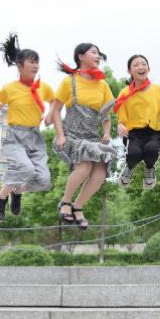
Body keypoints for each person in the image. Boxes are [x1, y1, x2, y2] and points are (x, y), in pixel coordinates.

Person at [0, 33, 56, 221]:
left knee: (43, 180)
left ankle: (17, 190)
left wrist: (50, 114)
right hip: (15, 136)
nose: (36, 65)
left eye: (37, 62)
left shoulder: (44, 87)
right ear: (20, 66)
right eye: (32, 62)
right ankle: (1, 196)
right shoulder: (10, 87)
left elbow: (56, 102)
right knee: (26, 169)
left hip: (35, 136)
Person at [52, 42, 116, 228]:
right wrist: (60, 135)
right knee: (84, 167)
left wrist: (106, 132)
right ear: (81, 56)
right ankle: (65, 202)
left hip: (92, 137)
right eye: (94, 53)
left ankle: (78, 207)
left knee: (100, 173)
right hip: (72, 135)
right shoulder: (69, 81)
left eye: (98, 54)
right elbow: (56, 111)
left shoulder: (103, 85)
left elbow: (106, 116)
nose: (98, 57)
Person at [115, 54, 160, 190]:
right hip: (134, 132)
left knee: (151, 149)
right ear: (129, 71)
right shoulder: (124, 93)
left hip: (154, 130)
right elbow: (122, 115)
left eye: (143, 64)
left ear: (148, 68)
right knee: (134, 153)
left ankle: (149, 169)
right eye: (136, 65)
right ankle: (129, 168)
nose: (140, 67)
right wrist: (120, 124)